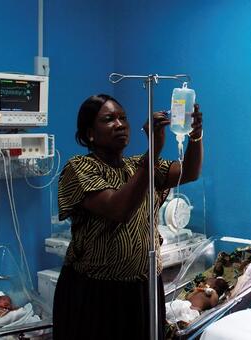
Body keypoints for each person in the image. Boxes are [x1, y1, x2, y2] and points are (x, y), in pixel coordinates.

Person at [53, 94, 203, 339]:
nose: (120, 124)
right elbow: (118, 209)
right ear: (90, 132)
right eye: (109, 119)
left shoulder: (138, 165)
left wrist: (195, 136)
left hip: (143, 288)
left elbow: (190, 172)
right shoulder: (79, 168)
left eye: (123, 118)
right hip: (97, 293)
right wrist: (153, 150)